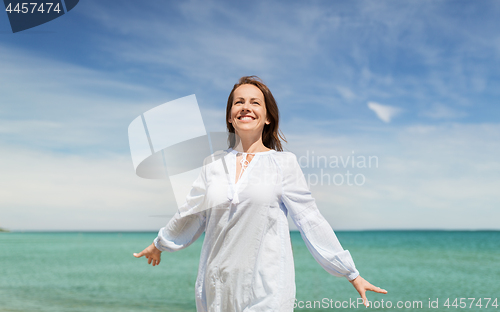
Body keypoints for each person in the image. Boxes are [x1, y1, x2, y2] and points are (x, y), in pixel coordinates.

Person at [134, 76, 387, 311]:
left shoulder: (284, 163)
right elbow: (191, 213)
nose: (245, 107)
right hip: (217, 287)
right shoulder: (212, 163)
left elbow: (310, 220)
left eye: (255, 102)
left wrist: (349, 272)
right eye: (238, 102)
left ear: (267, 117)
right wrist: (160, 244)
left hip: (267, 289)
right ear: (230, 117)